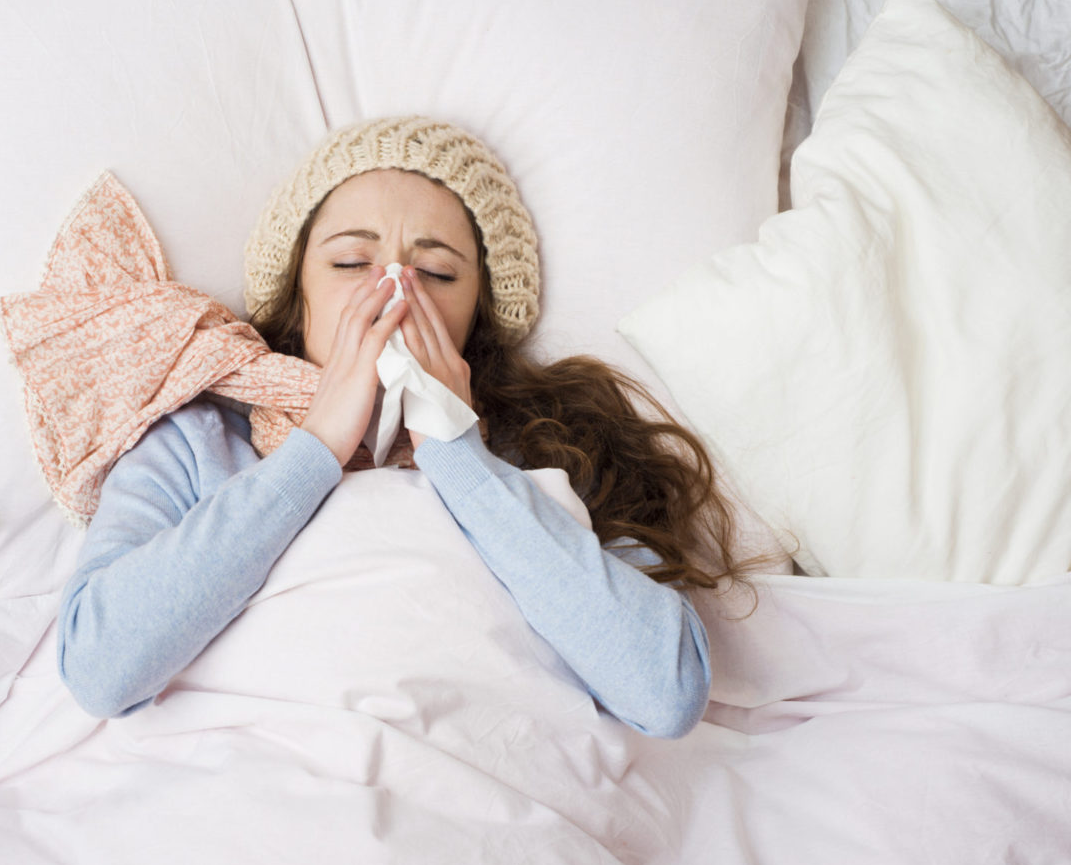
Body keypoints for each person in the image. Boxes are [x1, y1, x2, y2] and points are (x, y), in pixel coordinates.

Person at [56, 116, 768, 736]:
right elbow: (98, 668)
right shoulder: (195, 438)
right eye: (351, 261)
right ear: (298, 292)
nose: (393, 290)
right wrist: (314, 450)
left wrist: (460, 459)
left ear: (478, 315)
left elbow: (666, 691)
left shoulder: (551, 444)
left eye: (436, 273)